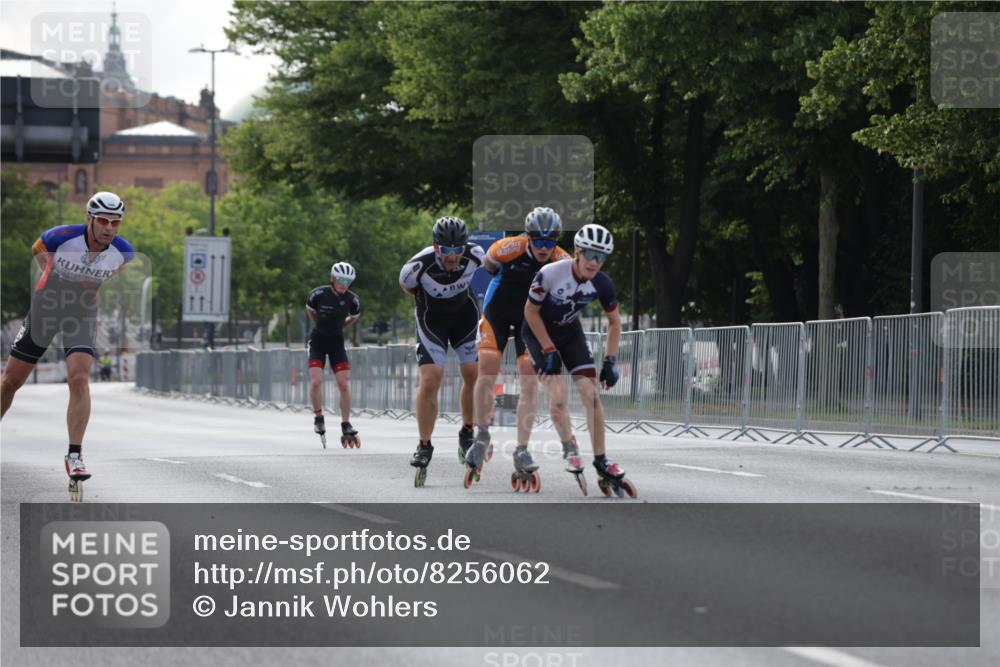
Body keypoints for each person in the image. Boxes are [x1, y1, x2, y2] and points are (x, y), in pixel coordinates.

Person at [0, 192, 134, 496]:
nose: (109, 227)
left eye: (115, 222)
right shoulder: (61, 237)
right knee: (10, 381)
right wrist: (51, 274)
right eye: (103, 220)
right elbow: (37, 248)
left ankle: (75, 455)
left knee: (79, 377)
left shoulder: (124, 251)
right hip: (46, 307)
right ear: (89, 218)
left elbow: (112, 272)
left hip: (82, 314)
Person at [522, 223, 636, 498]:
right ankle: (569, 446)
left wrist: (610, 360)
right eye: (590, 254)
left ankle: (601, 460)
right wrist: (548, 350)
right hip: (539, 334)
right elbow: (530, 313)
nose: (595, 262)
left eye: (602, 257)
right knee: (559, 396)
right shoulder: (550, 273)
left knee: (591, 395)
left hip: (570, 333)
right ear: (577, 252)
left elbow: (614, 322)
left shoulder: (603, 283)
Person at [469, 207, 570, 488]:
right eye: (538, 241)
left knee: (528, 380)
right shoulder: (507, 248)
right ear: (528, 236)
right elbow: (488, 268)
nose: (544, 248)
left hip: (530, 321)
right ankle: (482, 435)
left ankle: (522, 449)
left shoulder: (562, 260)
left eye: (550, 242)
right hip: (497, 314)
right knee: (487, 369)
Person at [399, 216, 485, 486]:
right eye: (445, 250)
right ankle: (425, 445)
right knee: (430, 379)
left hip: (464, 315)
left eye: (457, 249)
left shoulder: (476, 254)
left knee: (473, 372)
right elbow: (408, 289)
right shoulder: (415, 267)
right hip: (431, 319)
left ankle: (466, 431)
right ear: (435, 247)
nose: (452, 256)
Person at [306, 262, 362, 448]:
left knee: (344, 383)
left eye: (348, 281)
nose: (344, 284)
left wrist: (339, 326)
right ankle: (318, 416)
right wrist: (321, 325)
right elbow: (310, 311)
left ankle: (345, 424)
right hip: (318, 341)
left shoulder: (353, 300)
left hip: (336, 341)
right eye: (341, 280)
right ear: (332, 278)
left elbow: (354, 316)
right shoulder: (318, 294)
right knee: (316, 381)